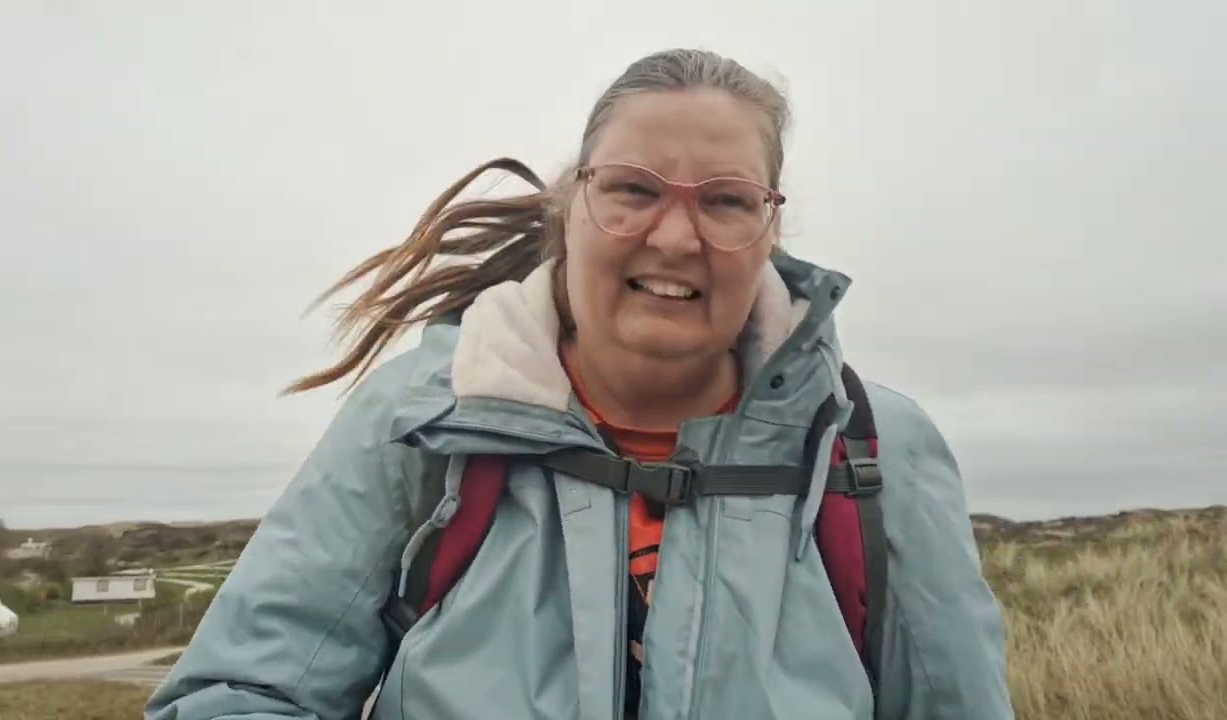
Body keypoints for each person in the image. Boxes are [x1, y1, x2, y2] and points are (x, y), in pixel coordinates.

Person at [144, 48, 1014, 720]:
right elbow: (238, 693)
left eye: (724, 201)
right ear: (573, 203)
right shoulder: (424, 416)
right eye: (633, 189)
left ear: (770, 226)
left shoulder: (871, 446)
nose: (675, 238)